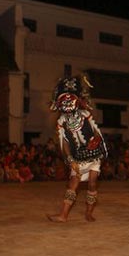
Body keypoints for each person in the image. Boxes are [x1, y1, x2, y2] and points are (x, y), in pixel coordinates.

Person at [47, 75, 107, 222]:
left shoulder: (86, 115)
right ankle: (63, 215)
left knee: (92, 184)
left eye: (70, 98)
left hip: (94, 155)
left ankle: (89, 213)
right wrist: (69, 159)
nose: (67, 102)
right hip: (78, 157)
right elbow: (64, 143)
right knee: (73, 183)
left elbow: (97, 133)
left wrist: (97, 141)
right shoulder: (61, 121)